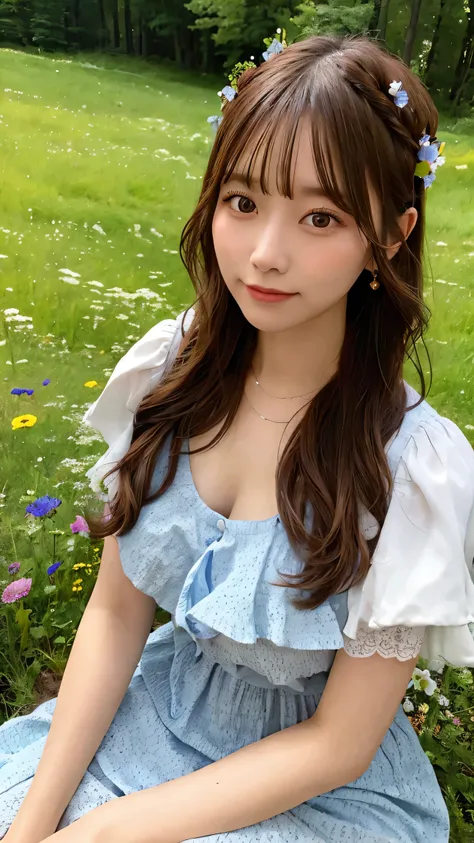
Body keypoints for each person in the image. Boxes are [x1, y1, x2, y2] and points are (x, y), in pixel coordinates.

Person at [1, 33, 474, 843]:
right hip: (154, 716)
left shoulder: (410, 466)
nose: (264, 254)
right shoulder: (171, 374)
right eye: (243, 201)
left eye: (320, 216)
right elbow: (116, 616)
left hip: (311, 793)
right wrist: (34, 826)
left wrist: (98, 834)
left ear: (391, 236)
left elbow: (337, 744)